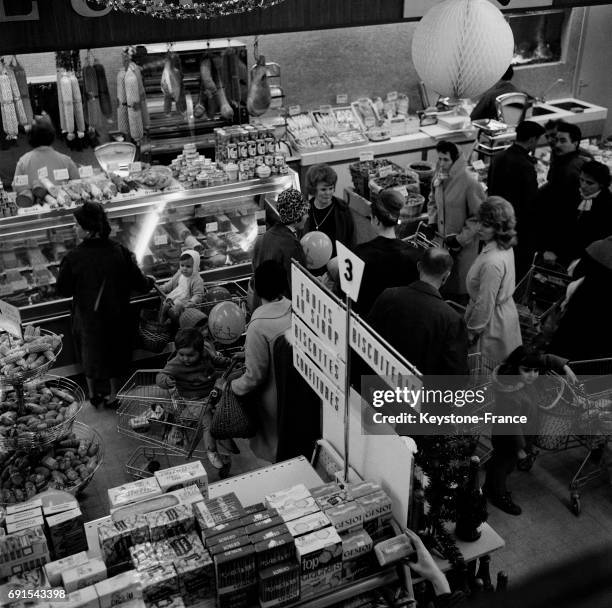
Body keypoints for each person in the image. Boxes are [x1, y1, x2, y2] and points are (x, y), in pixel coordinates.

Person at [57, 202, 153, 407]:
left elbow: (63, 290)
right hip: (116, 316)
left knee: (88, 352)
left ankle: (92, 394)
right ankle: (112, 395)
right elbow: (140, 283)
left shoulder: (73, 257)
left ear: (88, 228)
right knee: (113, 353)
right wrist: (151, 282)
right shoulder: (119, 251)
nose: (74, 228)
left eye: (77, 225)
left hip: (87, 317)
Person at [484, 346, 576, 515]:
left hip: (521, 435)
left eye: (535, 370)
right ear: (514, 368)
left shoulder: (522, 382)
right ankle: (497, 494)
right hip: (509, 439)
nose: (533, 375)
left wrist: (565, 367)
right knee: (503, 467)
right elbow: (512, 424)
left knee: (501, 464)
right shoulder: (509, 394)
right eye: (527, 370)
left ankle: (491, 482)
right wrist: (519, 449)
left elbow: (545, 358)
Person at [368, 247, 469, 376]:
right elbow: (456, 373)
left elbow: (368, 338)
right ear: (447, 275)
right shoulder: (452, 319)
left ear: (419, 266)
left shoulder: (389, 296)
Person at [231, 261, 292, 463]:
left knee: (278, 451)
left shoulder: (258, 324)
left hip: (273, 400)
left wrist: (233, 386)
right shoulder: (293, 308)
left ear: (256, 288)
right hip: (296, 393)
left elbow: (255, 376)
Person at [156, 328, 235, 472]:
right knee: (207, 421)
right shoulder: (175, 364)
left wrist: (228, 361)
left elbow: (215, 360)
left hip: (212, 391)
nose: (185, 358)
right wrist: (166, 381)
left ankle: (225, 438)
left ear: (199, 351)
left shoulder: (205, 354)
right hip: (193, 399)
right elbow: (160, 377)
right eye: (182, 354)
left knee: (228, 408)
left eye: (190, 355)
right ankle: (211, 450)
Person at [465, 197, 522, 367]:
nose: (479, 228)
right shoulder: (502, 245)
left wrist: (471, 333)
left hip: (491, 325)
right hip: (504, 314)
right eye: (479, 222)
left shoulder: (492, 262)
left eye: (487, 225)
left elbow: (484, 304)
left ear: (500, 228)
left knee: (484, 375)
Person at [427, 140, 486, 302]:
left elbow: (478, 217)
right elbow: (432, 200)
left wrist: (460, 239)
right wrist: (432, 220)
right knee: (443, 283)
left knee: (459, 286)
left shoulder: (470, 183)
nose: (441, 163)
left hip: (463, 248)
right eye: (439, 159)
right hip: (442, 242)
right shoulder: (439, 176)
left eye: (446, 160)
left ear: (456, 160)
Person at [488, 121, 545, 279]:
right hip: (517, 227)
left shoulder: (499, 157)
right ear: (532, 139)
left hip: (496, 221)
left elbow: (490, 187)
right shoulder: (526, 165)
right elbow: (531, 201)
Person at [352, 189, 419, 315]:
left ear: (376, 220)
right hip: (400, 324)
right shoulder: (414, 256)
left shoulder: (361, 253)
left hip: (368, 325)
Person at [549, 236, 612, 361]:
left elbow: (577, 272)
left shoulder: (597, 246)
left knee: (562, 352)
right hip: (604, 320)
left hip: (580, 305)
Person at [537, 121, 585, 265]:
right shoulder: (563, 161)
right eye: (556, 140)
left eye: (563, 141)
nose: (557, 144)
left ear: (575, 143)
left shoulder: (569, 171)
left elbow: (564, 214)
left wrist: (553, 249)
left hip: (558, 244)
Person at [251, 187, 308, 306]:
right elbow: (298, 286)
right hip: (281, 311)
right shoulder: (291, 245)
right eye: (305, 212)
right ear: (297, 217)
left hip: (259, 306)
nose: (307, 216)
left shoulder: (264, 237)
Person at [12, 117, 79, 203]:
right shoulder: (66, 160)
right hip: (65, 205)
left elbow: (17, 188)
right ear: (52, 136)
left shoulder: (23, 161)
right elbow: (77, 183)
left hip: (34, 209)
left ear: (30, 138)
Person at [303, 163, 356, 264]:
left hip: (337, 264)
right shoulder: (305, 210)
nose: (328, 193)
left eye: (331, 188)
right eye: (323, 189)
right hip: (311, 265)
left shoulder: (342, 209)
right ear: (314, 190)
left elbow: (351, 241)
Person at [571, 161, 612, 260]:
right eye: (581, 180)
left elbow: (594, 237)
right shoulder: (573, 192)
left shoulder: (608, 205)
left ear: (601, 184)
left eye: (590, 183)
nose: (583, 186)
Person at [159, 250, 204, 323]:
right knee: (165, 305)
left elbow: (198, 295)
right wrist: (164, 287)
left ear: (195, 266)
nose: (184, 268)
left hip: (186, 303)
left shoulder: (197, 280)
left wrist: (192, 301)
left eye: (188, 266)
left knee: (176, 307)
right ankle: (162, 322)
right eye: (182, 265)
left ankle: (172, 322)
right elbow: (171, 282)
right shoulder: (180, 273)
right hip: (175, 297)